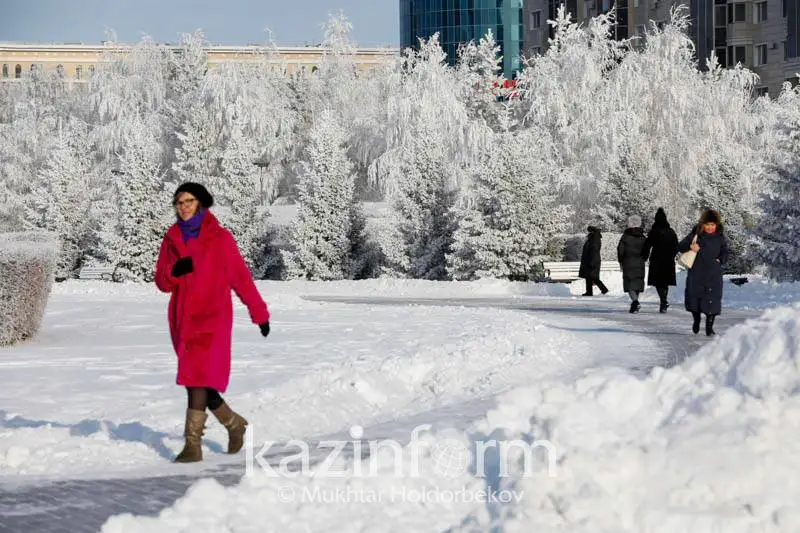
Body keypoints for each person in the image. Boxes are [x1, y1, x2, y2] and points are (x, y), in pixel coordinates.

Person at [155, 182, 271, 463]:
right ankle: (234, 424)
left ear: (201, 203)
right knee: (197, 380)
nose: (183, 207)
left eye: (189, 201)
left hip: (212, 318)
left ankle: (192, 446)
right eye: (179, 202)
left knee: (195, 379)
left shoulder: (220, 239)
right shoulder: (171, 239)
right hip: (183, 320)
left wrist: (260, 313)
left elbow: (241, 279)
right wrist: (175, 271)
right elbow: (162, 282)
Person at [677, 208, 729, 336]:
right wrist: (690, 246)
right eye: (707, 224)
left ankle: (709, 327)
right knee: (696, 299)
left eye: (713, 225)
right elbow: (680, 246)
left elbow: (726, 251)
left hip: (713, 274)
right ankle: (696, 319)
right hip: (697, 273)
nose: (710, 227)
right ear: (703, 224)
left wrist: (720, 260)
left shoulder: (720, 236)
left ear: (716, 225)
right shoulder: (695, 234)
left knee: (712, 300)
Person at [617, 215, 647, 313]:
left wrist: (621, 260)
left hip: (628, 262)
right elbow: (647, 250)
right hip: (640, 262)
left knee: (629, 284)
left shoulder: (625, 236)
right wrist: (644, 258)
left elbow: (620, 249)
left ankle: (635, 302)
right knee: (637, 283)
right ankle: (635, 304)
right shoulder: (643, 237)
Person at [579, 226, 608, 296]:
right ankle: (589, 292)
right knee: (588, 276)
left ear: (592, 231)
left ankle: (604, 289)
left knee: (593, 277)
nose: (588, 233)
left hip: (593, 260)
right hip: (590, 260)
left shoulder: (594, 239)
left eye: (589, 231)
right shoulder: (593, 238)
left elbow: (594, 251)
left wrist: (592, 262)